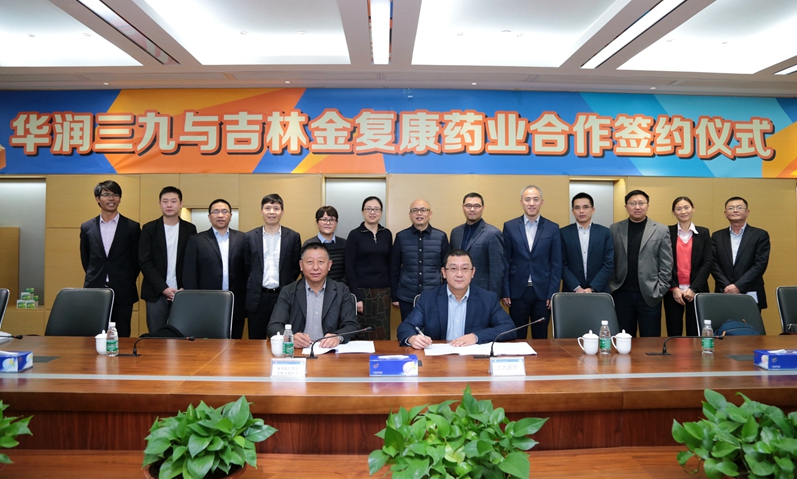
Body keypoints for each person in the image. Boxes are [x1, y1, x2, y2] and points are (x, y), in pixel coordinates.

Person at [397, 249, 515, 349]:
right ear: (444, 272)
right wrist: (412, 338)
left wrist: (476, 336)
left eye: (465, 269)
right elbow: (406, 327)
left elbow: (508, 327)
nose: (459, 274)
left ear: (473, 272)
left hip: (473, 361)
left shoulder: (487, 298)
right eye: (453, 269)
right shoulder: (428, 298)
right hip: (437, 360)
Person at [266, 243, 360, 348]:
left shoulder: (342, 291)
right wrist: (289, 338)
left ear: (329, 265)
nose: (315, 267)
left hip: (330, 351)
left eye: (320, 262)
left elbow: (352, 325)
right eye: (310, 262)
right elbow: (273, 326)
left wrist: (338, 337)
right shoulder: (288, 291)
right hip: (298, 351)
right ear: (301, 265)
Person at [80, 180, 140, 337]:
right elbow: (86, 258)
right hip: (95, 289)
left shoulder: (132, 227)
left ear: (120, 199)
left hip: (123, 290)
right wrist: (97, 275)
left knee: (122, 334)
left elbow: (136, 260)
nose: (111, 198)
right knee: (94, 334)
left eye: (115, 195)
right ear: (97, 198)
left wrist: (124, 278)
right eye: (106, 194)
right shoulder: (87, 227)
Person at [608, 190, 673, 337]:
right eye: (633, 203)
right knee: (622, 340)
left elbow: (666, 263)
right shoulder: (615, 228)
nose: (637, 207)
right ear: (626, 207)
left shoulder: (661, 230)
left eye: (641, 203)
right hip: (621, 294)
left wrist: (659, 290)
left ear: (647, 206)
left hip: (649, 295)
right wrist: (612, 286)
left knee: (650, 341)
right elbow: (610, 260)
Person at [502, 185, 561, 339]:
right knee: (517, 336)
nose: (531, 203)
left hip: (543, 293)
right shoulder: (510, 226)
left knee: (541, 336)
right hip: (517, 292)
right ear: (521, 202)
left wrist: (552, 293)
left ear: (542, 202)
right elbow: (505, 261)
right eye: (527, 199)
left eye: (536, 199)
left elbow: (556, 264)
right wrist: (505, 291)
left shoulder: (552, 228)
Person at [182, 199, 248, 338]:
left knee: (236, 343)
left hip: (236, 302)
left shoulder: (243, 238)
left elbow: (248, 270)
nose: (220, 215)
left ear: (230, 215)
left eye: (224, 211)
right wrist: (193, 301)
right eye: (216, 212)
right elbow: (189, 274)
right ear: (209, 216)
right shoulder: (196, 240)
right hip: (207, 303)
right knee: (209, 344)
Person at [138, 186, 197, 334]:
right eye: (165, 201)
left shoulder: (190, 229)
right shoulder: (149, 229)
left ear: (181, 204)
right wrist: (163, 288)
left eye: (173, 201)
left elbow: (191, 262)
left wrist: (186, 287)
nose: (169, 205)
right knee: (157, 336)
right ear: (160, 204)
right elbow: (145, 262)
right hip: (156, 292)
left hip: (182, 293)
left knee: (181, 335)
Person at [244, 194, 301, 339]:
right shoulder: (249, 237)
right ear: (261, 211)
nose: (271, 212)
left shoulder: (293, 236)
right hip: (257, 298)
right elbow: (246, 266)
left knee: (283, 339)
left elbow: (295, 267)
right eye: (267, 208)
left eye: (276, 208)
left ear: (282, 212)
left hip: (283, 297)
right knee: (256, 342)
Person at [390, 199, 449, 321]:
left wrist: (446, 293)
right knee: (408, 329)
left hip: (434, 296)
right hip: (406, 297)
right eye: (415, 210)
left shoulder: (441, 237)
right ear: (410, 215)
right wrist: (394, 296)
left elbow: (447, 268)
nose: (419, 213)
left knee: (434, 330)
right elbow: (394, 268)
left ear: (430, 214)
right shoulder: (401, 237)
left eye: (423, 210)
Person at [345, 196, 393, 339]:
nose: (372, 212)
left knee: (382, 332)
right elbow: (349, 267)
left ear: (381, 212)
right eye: (369, 209)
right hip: (362, 292)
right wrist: (356, 296)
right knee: (363, 334)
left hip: (383, 292)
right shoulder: (354, 235)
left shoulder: (387, 234)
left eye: (376, 209)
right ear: (363, 212)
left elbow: (391, 264)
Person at [663, 197, 712, 337]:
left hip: (697, 291)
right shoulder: (667, 232)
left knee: (695, 332)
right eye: (678, 209)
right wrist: (673, 288)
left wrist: (694, 288)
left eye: (686, 207)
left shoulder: (703, 233)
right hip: (673, 291)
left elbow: (707, 262)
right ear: (674, 212)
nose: (683, 211)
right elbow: (664, 262)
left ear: (693, 209)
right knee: (674, 331)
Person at [711, 197, 770, 310]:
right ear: (725, 213)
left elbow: (760, 264)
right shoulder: (717, 236)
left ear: (747, 212)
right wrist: (727, 286)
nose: (735, 210)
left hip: (750, 290)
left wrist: (738, 286)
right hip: (724, 290)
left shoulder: (760, 235)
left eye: (739, 207)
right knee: (723, 320)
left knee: (749, 321)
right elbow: (713, 264)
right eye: (731, 208)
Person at [449, 192, 504, 296]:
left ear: (483, 208)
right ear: (463, 207)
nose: (472, 209)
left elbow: (496, 270)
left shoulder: (493, 233)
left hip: (482, 291)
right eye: (468, 205)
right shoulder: (455, 232)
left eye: (476, 206)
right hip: (457, 291)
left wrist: (493, 297)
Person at [560, 192, 614, 294]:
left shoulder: (605, 233)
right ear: (572, 211)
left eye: (585, 207)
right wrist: (576, 287)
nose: (581, 211)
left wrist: (593, 288)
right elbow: (561, 264)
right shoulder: (563, 233)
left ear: (593, 209)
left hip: (599, 291)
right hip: (571, 291)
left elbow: (609, 264)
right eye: (577, 208)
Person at [303, 206, 346, 283]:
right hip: (316, 287)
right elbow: (305, 270)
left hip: (341, 288)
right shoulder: (309, 244)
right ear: (317, 222)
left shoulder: (344, 243)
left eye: (332, 220)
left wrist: (340, 287)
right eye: (324, 220)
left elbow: (348, 270)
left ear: (336, 222)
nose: (328, 223)